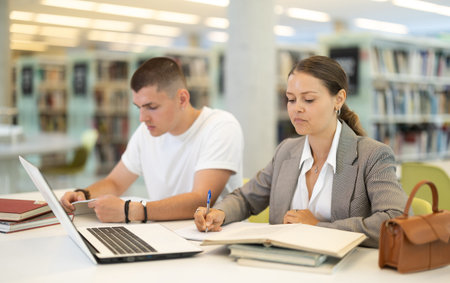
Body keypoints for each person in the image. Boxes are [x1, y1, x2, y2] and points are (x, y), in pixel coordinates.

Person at [194, 55, 408, 248]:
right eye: (291, 99)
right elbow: (246, 198)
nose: (297, 108)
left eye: (309, 99)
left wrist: (318, 226)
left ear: (339, 99)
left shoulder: (372, 155)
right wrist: (219, 213)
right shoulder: (286, 151)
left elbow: (395, 220)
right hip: (284, 267)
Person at [61, 57, 244, 223]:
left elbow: (201, 199)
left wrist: (131, 211)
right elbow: (115, 182)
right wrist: (84, 195)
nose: (142, 118)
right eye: (139, 107)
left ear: (182, 99)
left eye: (151, 107)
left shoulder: (220, 126)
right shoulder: (146, 132)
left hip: (210, 239)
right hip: (164, 233)